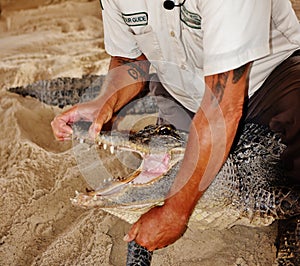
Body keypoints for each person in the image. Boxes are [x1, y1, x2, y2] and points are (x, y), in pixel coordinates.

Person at [51, 0, 300, 251]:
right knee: (167, 166)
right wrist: (104, 101)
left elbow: (222, 108)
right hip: (182, 90)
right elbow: (130, 59)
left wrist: (175, 212)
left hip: (270, 80)